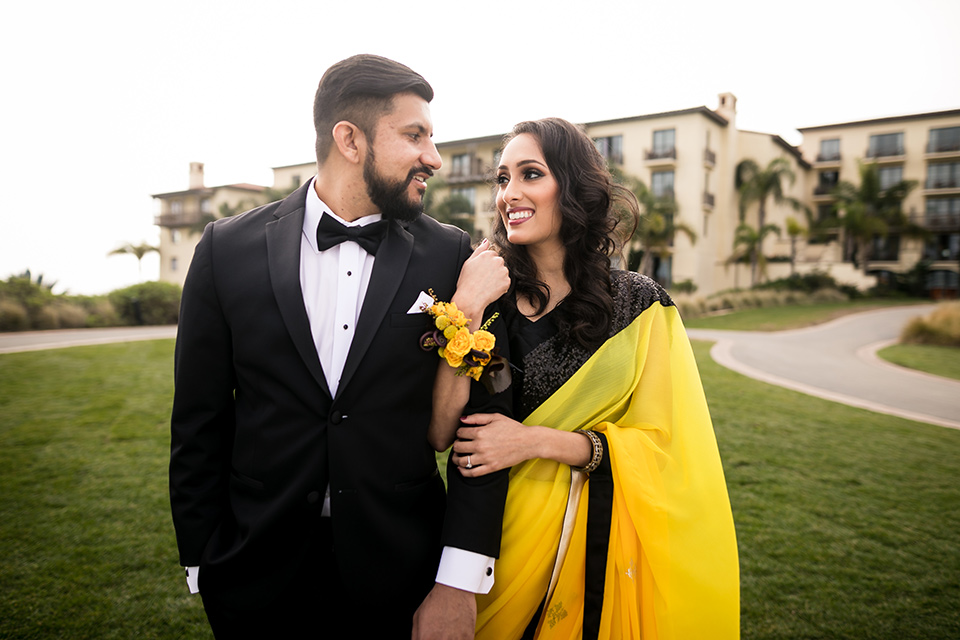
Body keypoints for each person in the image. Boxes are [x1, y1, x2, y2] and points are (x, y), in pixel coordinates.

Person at [169, 54, 512, 639]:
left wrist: (457, 580)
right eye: (415, 135)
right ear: (349, 140)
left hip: (404, 575)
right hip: (256, 577)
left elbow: (483, 428)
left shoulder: (451, 255)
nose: (432, 157)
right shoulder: (224, 249)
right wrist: (205, 565)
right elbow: (199, 419)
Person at [429, 118, 740, 639]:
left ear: (572, 187)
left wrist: (533, 441)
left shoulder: (639, 307)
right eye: (503, 179)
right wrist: (464, 309)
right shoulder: (486, 294)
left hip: (595, 544)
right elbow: (441, 433)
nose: (511, 194)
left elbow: (665, 448)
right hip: (497, 546)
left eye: (531, 174)